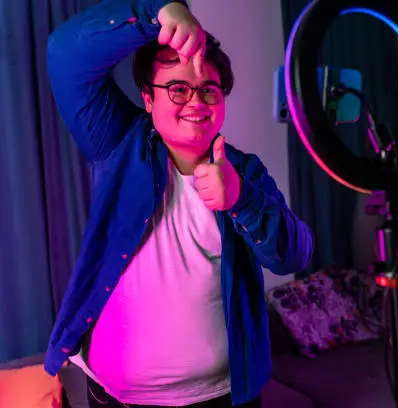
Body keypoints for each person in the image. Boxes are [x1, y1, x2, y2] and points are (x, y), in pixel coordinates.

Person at [43, 1, 313, 407]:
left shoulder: (244, 172)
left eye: (209, 89)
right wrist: (159, 12)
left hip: (224, 396)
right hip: (121, 398)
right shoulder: (119, 144)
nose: (196, 101)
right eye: (178, 88)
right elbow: (64, 55)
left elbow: (295, 254)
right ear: (148, 100)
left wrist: (240, 199)